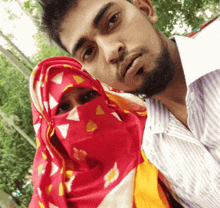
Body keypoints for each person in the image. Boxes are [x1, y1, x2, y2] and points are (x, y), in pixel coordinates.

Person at [39, 0, 220, 207]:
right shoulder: (156, 151)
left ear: (145, 8)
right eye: (89, 52)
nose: (111, 52)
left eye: (113, 20)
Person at [29, 56, 184, 207]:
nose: (80, 113)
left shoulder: (155, 132)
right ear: (48, 128)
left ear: (104, 95)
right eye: (63, 107)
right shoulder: (50, 196)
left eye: (87, 96)